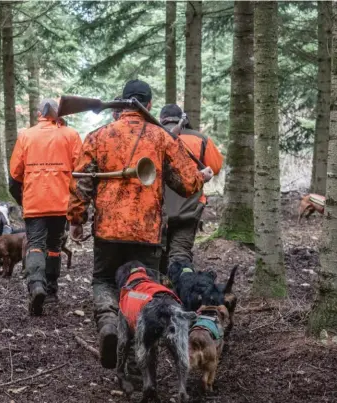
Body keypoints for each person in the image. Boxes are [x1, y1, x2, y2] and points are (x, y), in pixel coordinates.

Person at [67, 79, 213, 369]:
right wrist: (202, 177)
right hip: (147, 233)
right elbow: (186, 184)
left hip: (108, 230)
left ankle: (108, 322)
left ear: (122, 103)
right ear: (148, 106)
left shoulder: (98, 135)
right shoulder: (161, 138)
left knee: (105, 281)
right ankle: (137, 361)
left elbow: (81, 182)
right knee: (145, 289)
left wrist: (76, 219)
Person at [9, 98, 82, 316]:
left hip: (35, 203)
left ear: (39, 113)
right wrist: (76, 203)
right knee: (54, 247)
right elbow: (81, 171)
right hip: (61, 203)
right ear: (59, 114)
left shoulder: (26, 135)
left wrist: (23, 200)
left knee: (35, 245)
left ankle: (36, 285)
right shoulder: (71, 135)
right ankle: (51, 292)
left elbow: (14, 175)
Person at [158, 104, 223, 272]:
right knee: (181, 254)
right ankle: (183, 286)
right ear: (182, 119)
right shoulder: (201, 139)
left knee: (157, 252)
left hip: (159, 207)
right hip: (189, 207)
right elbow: (215, 167)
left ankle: (158, 289)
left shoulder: (153, 137)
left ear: (161, 119)